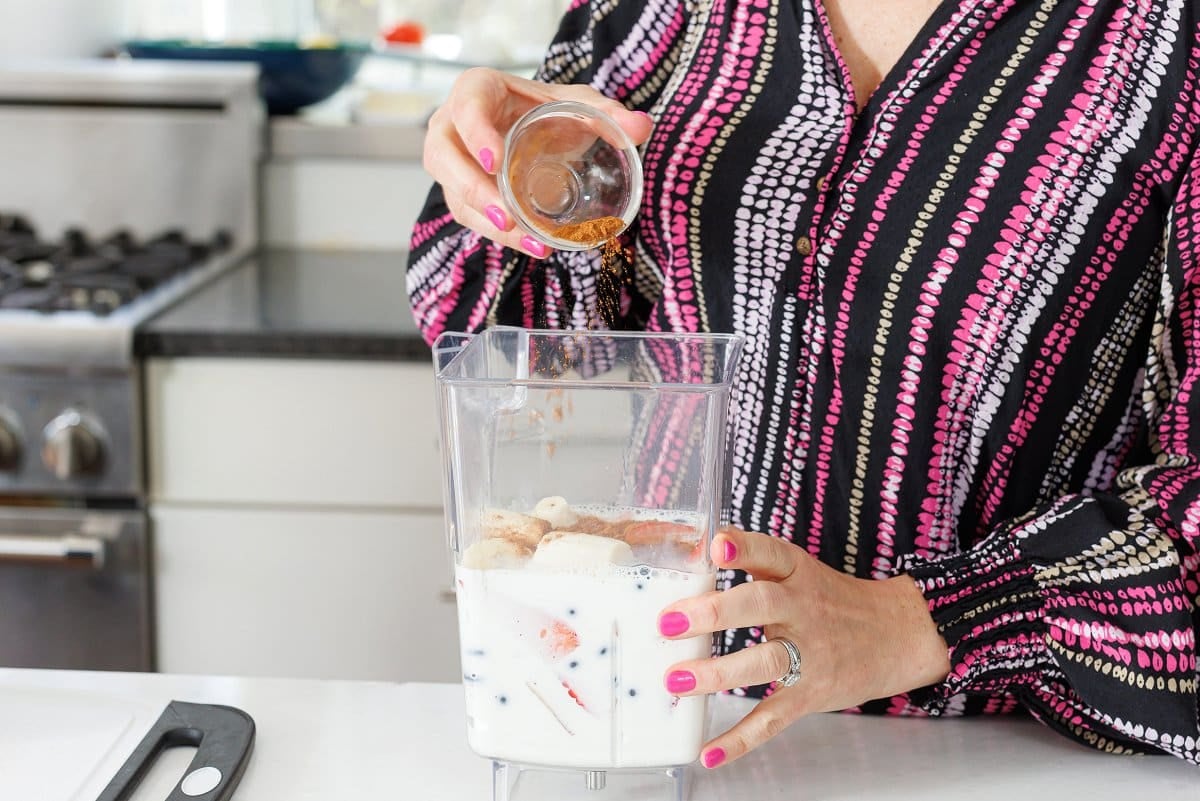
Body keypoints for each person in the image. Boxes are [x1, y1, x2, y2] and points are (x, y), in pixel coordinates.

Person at [407, 0, 1200, 769]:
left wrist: (926, 620)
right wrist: (513, 171)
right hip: (657, 721)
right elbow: (492, 335)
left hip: (989, 759)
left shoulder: (1169, 39)